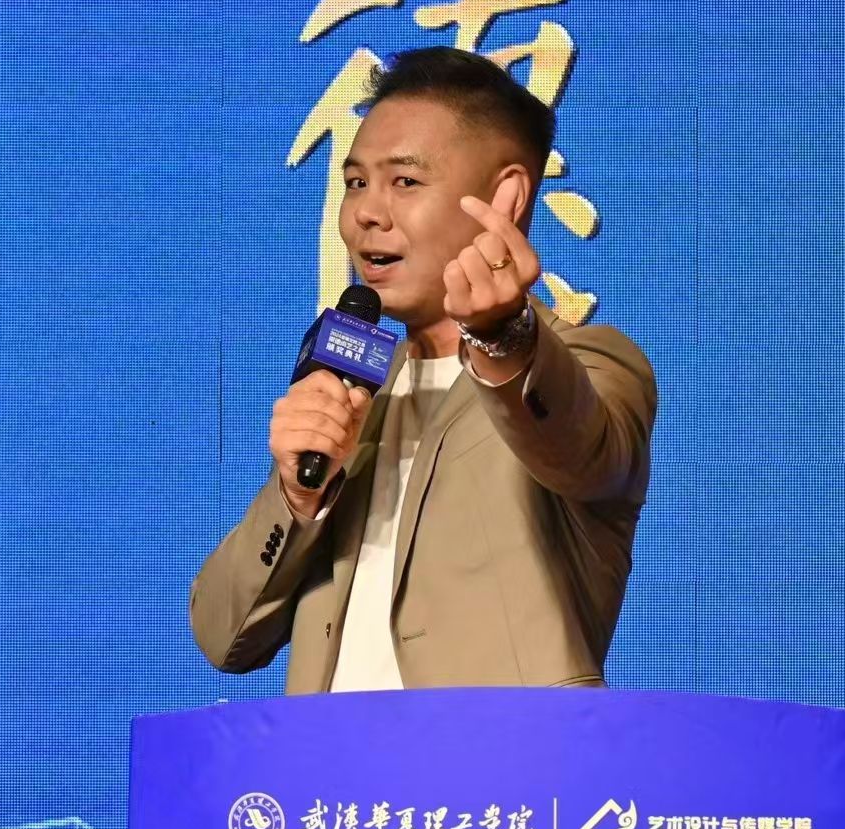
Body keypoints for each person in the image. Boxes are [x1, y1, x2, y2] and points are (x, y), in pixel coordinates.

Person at [191, 47, 656, 692]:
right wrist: (298, 496)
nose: (366, 213)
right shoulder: (358, 388)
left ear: (505, 197)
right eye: (356, 182)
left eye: (405, 182)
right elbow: (223, 636)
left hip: (505, 758)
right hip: (328, 760)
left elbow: (582, 449)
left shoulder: (591, 365)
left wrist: (504, 333)